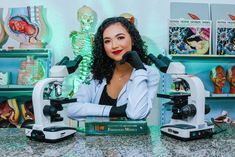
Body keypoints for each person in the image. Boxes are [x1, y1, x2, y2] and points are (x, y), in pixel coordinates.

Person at [67, 17, 160, 120]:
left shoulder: (150, 74)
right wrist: (115, 110)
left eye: (120, 38)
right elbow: (72, 109)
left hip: (131, 136)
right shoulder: (97, 74)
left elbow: (135, 114)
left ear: (132, 39)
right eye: (107, 41)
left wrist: (140, 69)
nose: (114, 45)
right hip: (98, 136)